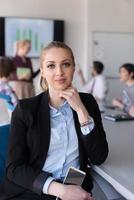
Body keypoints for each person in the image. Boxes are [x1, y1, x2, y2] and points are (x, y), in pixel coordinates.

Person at [1, 41, 108, 200]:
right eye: (51, 66)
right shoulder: (25, 109)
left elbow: (98, 157)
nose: (59, 72)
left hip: (74, 182)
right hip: (35, 189)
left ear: (73, 68)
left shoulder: (88, 103)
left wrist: (81, 111)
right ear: (42, 71)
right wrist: (59, 190)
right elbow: (14, 169)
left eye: (66, 64)